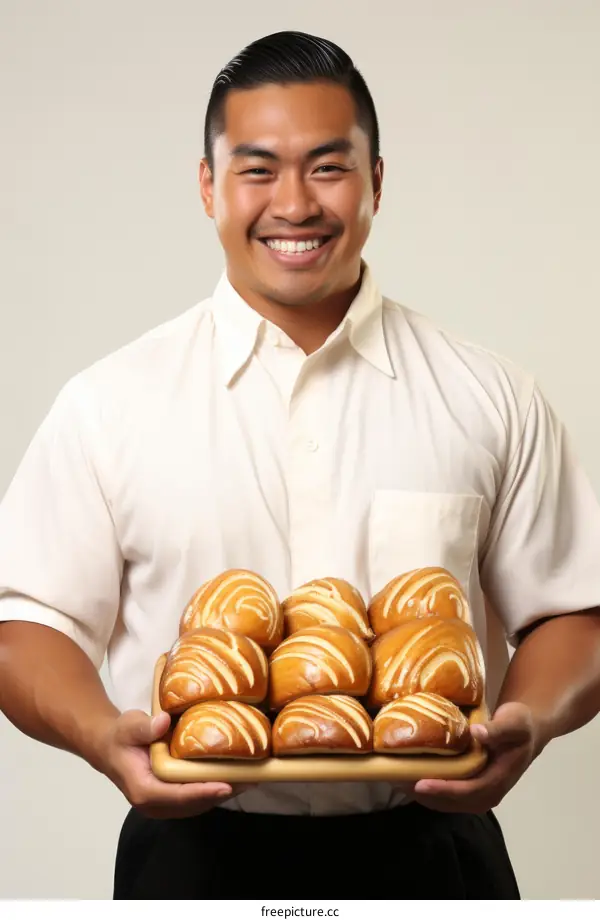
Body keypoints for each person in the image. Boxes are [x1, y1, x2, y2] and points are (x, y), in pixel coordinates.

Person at [1, 29, 599, 901]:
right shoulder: (109, 403)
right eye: (257, 169)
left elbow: (573, 614)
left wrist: (528, 722)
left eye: (328, 166)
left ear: (377, 181)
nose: (295, 203)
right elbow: (27, 626)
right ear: (208, 186)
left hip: (436, 854)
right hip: (191, 856)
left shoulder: (491, 393)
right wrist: (102, 736)